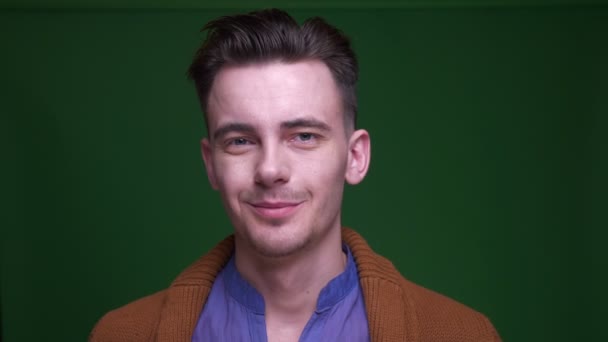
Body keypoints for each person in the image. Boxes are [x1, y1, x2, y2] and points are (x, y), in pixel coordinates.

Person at [90, 8, 500, 341]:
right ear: (211, 163)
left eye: (303, 136)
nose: (270, 169)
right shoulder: (122, 334)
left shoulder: (463, 334)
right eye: (240, 141)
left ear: (355, 157)